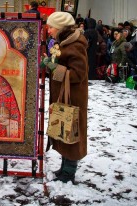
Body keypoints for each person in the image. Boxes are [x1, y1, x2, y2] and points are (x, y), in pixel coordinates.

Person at [42, 12, 88, 183]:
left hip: (73, 98)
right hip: (64, 96)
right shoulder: (63, 42)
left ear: (61, 27)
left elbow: (78, 74)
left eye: (51, 27)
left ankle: (69, 172)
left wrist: (54, 67)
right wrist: (49, 64)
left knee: (71, 131)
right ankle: (64, 168)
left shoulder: (75, 45)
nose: (48, 30)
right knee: (63, 130)